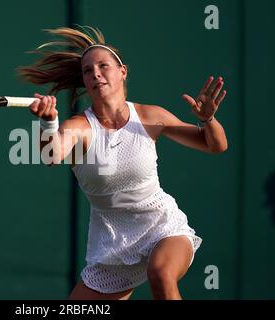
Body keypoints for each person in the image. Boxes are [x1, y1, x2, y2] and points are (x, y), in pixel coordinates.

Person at [18, 26, 228, 300]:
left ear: (123, 71)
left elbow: (216, 145)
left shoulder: (151, 116)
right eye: (88, 70)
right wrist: (48, 122)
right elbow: (51, 156)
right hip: (113, 244)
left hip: (162, 227)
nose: (95, 73)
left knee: (161, 274)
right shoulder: (80, 126)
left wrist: (208, 119)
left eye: (103, 66)